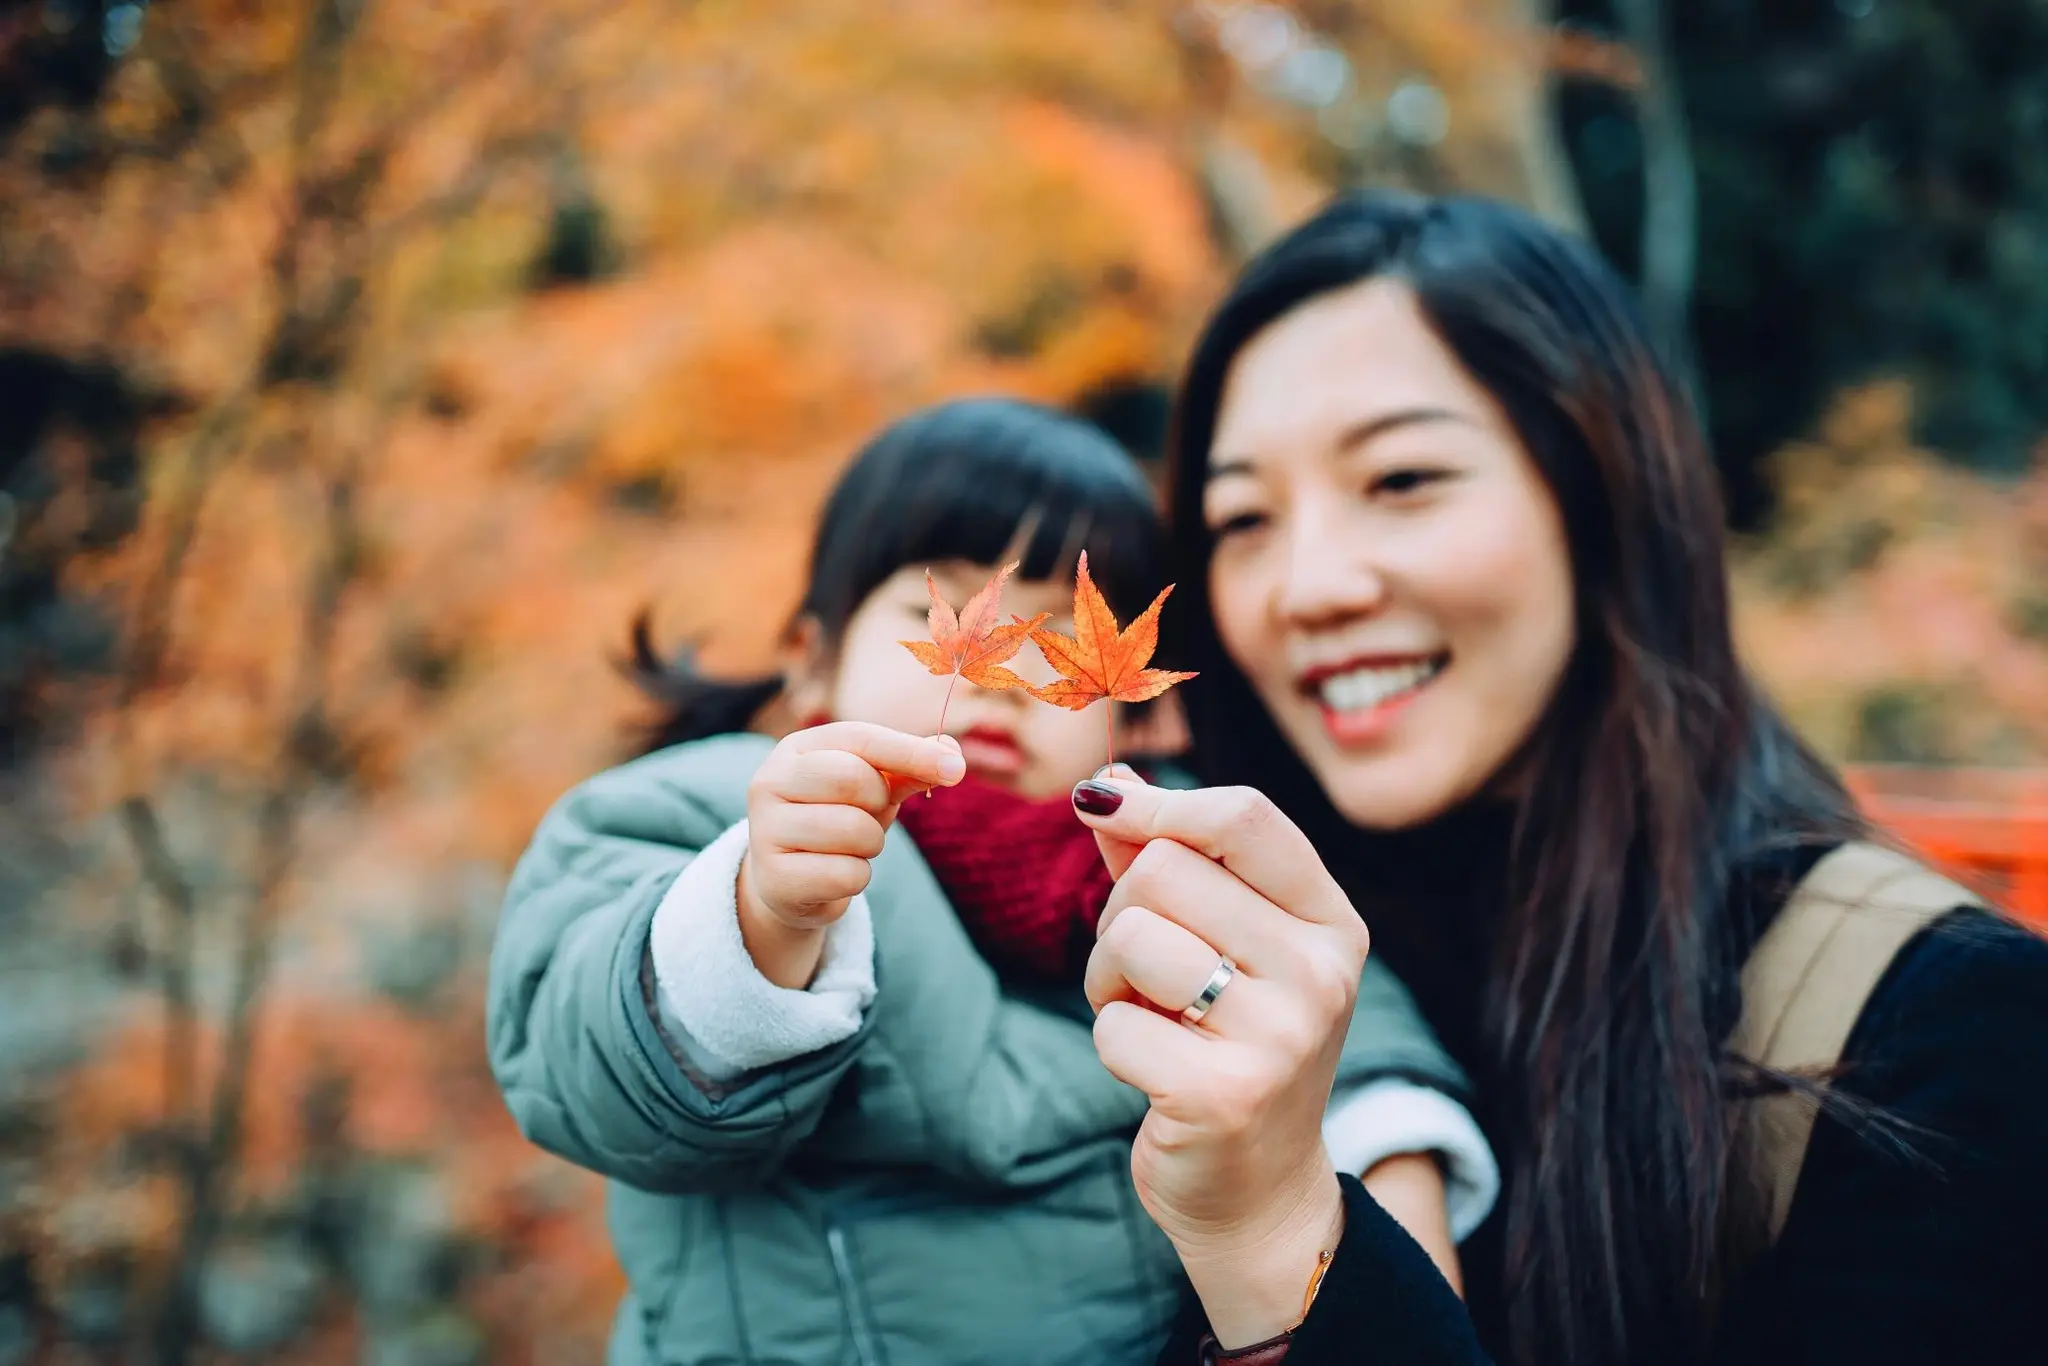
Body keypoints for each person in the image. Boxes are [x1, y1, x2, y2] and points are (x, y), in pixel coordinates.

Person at [1063, 192, 2048, 1366]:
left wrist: (1280, 1238)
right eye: (1242, 518)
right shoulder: (1165, 937)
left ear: (1603, 494)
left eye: (1401, 479)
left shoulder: (1944, 1033)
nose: (1306, 585)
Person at [486, 398, 1500, 1366]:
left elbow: (1334, 1013)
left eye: (1057, 637)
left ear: (1141, 710)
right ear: (809, 660)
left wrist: (1383, 1156)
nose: (992, 671)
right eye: (943, 607)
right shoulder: (723, 811)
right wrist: (760, 915)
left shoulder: (1178, 851)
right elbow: (586, 1066)